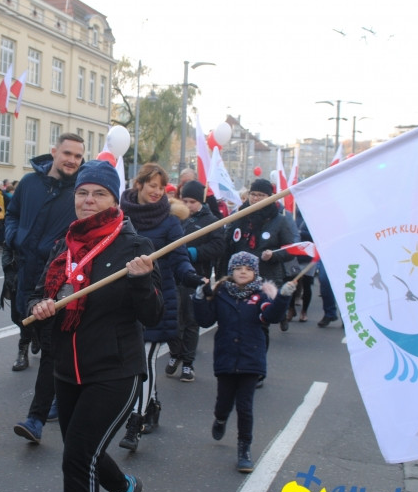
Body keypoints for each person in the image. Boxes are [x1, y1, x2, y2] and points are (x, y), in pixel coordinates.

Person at [29, 160, 162, 492]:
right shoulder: (64, 244)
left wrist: (141, 280)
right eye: (82, 193)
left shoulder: (135, 246)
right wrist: (38, 307)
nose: (88, 200)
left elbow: (153, 315)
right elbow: (39, 294)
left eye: (99, 194)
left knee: (77, 458)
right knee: (84, 451)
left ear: (113, 199)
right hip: (66, 369)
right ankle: (124, 487)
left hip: (114, 371)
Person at [118, 163, 203, 451]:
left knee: (143, 361)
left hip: (157, 300)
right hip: (125, 300)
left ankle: (135, 422)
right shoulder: (120, 216)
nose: (156, 191)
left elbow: (179, 258)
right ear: (138, 185)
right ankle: (152, 403)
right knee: (134, 360)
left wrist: (190, 275)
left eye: (161, 186)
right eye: (151, 185)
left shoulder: (170, 222)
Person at [5, 133, 84, 443]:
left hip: (58, 277)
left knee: (52, 346)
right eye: (67, 153)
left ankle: (35, 418)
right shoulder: (29, 184)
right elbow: (12, 214)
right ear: (54, 152)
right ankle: (56, 386)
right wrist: (14, 237)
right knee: (23, 321)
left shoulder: (80, 191)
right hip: (25, 272)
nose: (72, 161)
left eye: (78, 156)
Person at [192, 252, 295, 473]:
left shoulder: (261, 295)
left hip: (251, 357)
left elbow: (270, 317)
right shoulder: (221, 293)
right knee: (223, 401)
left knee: (245, 407)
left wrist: (283, 298)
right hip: (226, 356)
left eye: (248, 269)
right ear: (231, 271)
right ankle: (220, 419)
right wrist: (200, 297)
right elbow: (206, 319)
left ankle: (244, 448)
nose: (243, 272)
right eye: (238, 268)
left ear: (255, 272)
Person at [167, 180, 227, 382]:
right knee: (172, 319)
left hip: (196, 276)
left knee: (191, 321)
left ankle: (187, 364)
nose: (187, 205)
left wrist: (194, 253)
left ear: (200, 201)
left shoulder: (211, 221)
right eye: (184, 200)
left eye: (192, 201)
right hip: (173, 276)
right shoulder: (174, 217)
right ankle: (175, 353)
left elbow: (219, 246)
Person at [225, 178, 300, 335]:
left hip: (266, 275)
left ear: (270, 197)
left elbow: (290, 250)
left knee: (260, 323)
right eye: (253, 194)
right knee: (238, 320)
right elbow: (229, 242)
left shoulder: (279, 220)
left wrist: (273, 255)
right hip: (241, 277)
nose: (256, 198)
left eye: (261, 195)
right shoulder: (240, 215)